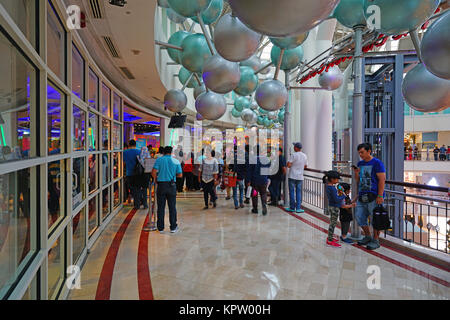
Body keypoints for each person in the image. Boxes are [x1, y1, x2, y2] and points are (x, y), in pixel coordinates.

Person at [353, 142, 386, 250]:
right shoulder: (360, 164)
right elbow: (358, 181)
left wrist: (380, 196)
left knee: (375, 218)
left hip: (374, 195)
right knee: (359, 216)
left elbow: (382, 180)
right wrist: (357, 173)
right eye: (359, 153)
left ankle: (375, 239)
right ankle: (367, 236)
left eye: (362, 152)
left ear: (369, 151)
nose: (361, 155)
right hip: (362, 195)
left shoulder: (377, 163)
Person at [152, 146, 182, 234]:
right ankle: (173, 227)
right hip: (171, 185)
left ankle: (160, 228)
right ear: (171, 152)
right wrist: (172, 176)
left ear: (164, 152)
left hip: (161, 185)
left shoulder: (159, 160)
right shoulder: (176, 161)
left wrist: (156, 179)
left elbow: (153, 172)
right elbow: (180, 175)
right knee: (172, 207)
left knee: (160, 207)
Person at [246, 145, 271, 215]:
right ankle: (264, 204)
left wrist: (248, 180)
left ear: (254, 151)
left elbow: (249, 171)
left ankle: (255, 208)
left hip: (254, 181)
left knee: (254, 194)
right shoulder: (266, 159)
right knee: (263, 193)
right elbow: (268, 168)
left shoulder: (251, 159)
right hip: (263, 179)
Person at [323, 171, 346, 248]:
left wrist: (339, 192)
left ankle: (330, 237)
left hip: (331, 206)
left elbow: (334, 198)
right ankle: (329, 240)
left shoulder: (328, 186)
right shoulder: (332, 188)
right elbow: (336, 199)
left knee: (332, 223)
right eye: (337, 179)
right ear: (332, 179)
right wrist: (343, 195)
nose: (338, 181)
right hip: (334, 207)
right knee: (333, 224)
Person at [286, 142, 308, 213]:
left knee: (292, 192)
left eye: (294, 146)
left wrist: (290, 164)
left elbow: (288, 165)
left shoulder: (293, 155)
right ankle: (298, 208)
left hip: (292, 176)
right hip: (300, 176)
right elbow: (305, 166)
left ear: (296, 148)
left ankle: (292, 207)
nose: (293, 148)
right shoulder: (304, 155)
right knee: (298, 192)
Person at [123, 139, 141, 209]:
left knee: (132, 188)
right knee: (138, 188)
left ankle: (136, 203)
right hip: (138, 173)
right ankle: (138, 202)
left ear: (129, 145)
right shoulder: (139, 151)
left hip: (129, 173)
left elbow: (123, 163)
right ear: (135, 145)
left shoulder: (125, 152)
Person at [229, 145, 246, 210]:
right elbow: (245, 169)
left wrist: (232, 170)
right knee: (241, 190)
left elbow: (230, 167)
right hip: (241, 178)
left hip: (234, 177)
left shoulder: (233, 159)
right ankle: (241, 203)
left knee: (235, 191)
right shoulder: (243, 159)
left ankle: (236, 205)